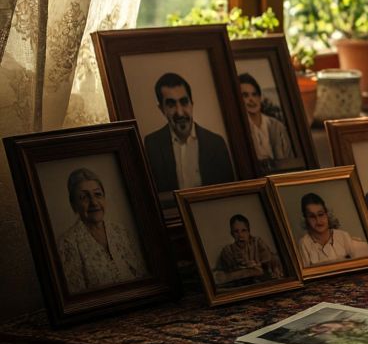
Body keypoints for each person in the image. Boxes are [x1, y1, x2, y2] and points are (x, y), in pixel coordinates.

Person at [143, 72, 235, 201]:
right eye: (171, 105)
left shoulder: (216, 143)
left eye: (184, 102)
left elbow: (230, 195)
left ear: (192, 103)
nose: (180, 112)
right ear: (162, 109)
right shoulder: (152, 144)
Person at [56, 168, 148, 294]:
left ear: (104, 198)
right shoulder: (67, 243)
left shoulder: (120, 231)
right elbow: (78, 296)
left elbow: (141, 276)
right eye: (84, 197)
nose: (94, 202)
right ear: (74, 205)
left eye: (98, 194)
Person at [297, 192, 368, 267]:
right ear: (306, 219)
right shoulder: (304, 244)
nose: (318, 220)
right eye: (312, 216)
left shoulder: (343, 236)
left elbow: (359, 264)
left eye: (321, 214)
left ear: (327, 214)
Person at [238, 73, 294, 171]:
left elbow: (289, 159)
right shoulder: (240, 129)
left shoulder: (277, 126)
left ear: (260, 97)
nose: (251, 99)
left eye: (254, 94)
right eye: (245, 95)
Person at [213, 213, 284, 288]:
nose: (240, 235)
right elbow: (220, 275)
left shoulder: (257, 242)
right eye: (236, 231)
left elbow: (269, 259)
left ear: (249, 231)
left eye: (244, 230)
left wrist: (258, 265)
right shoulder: (228, 250)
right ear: (232, 234)